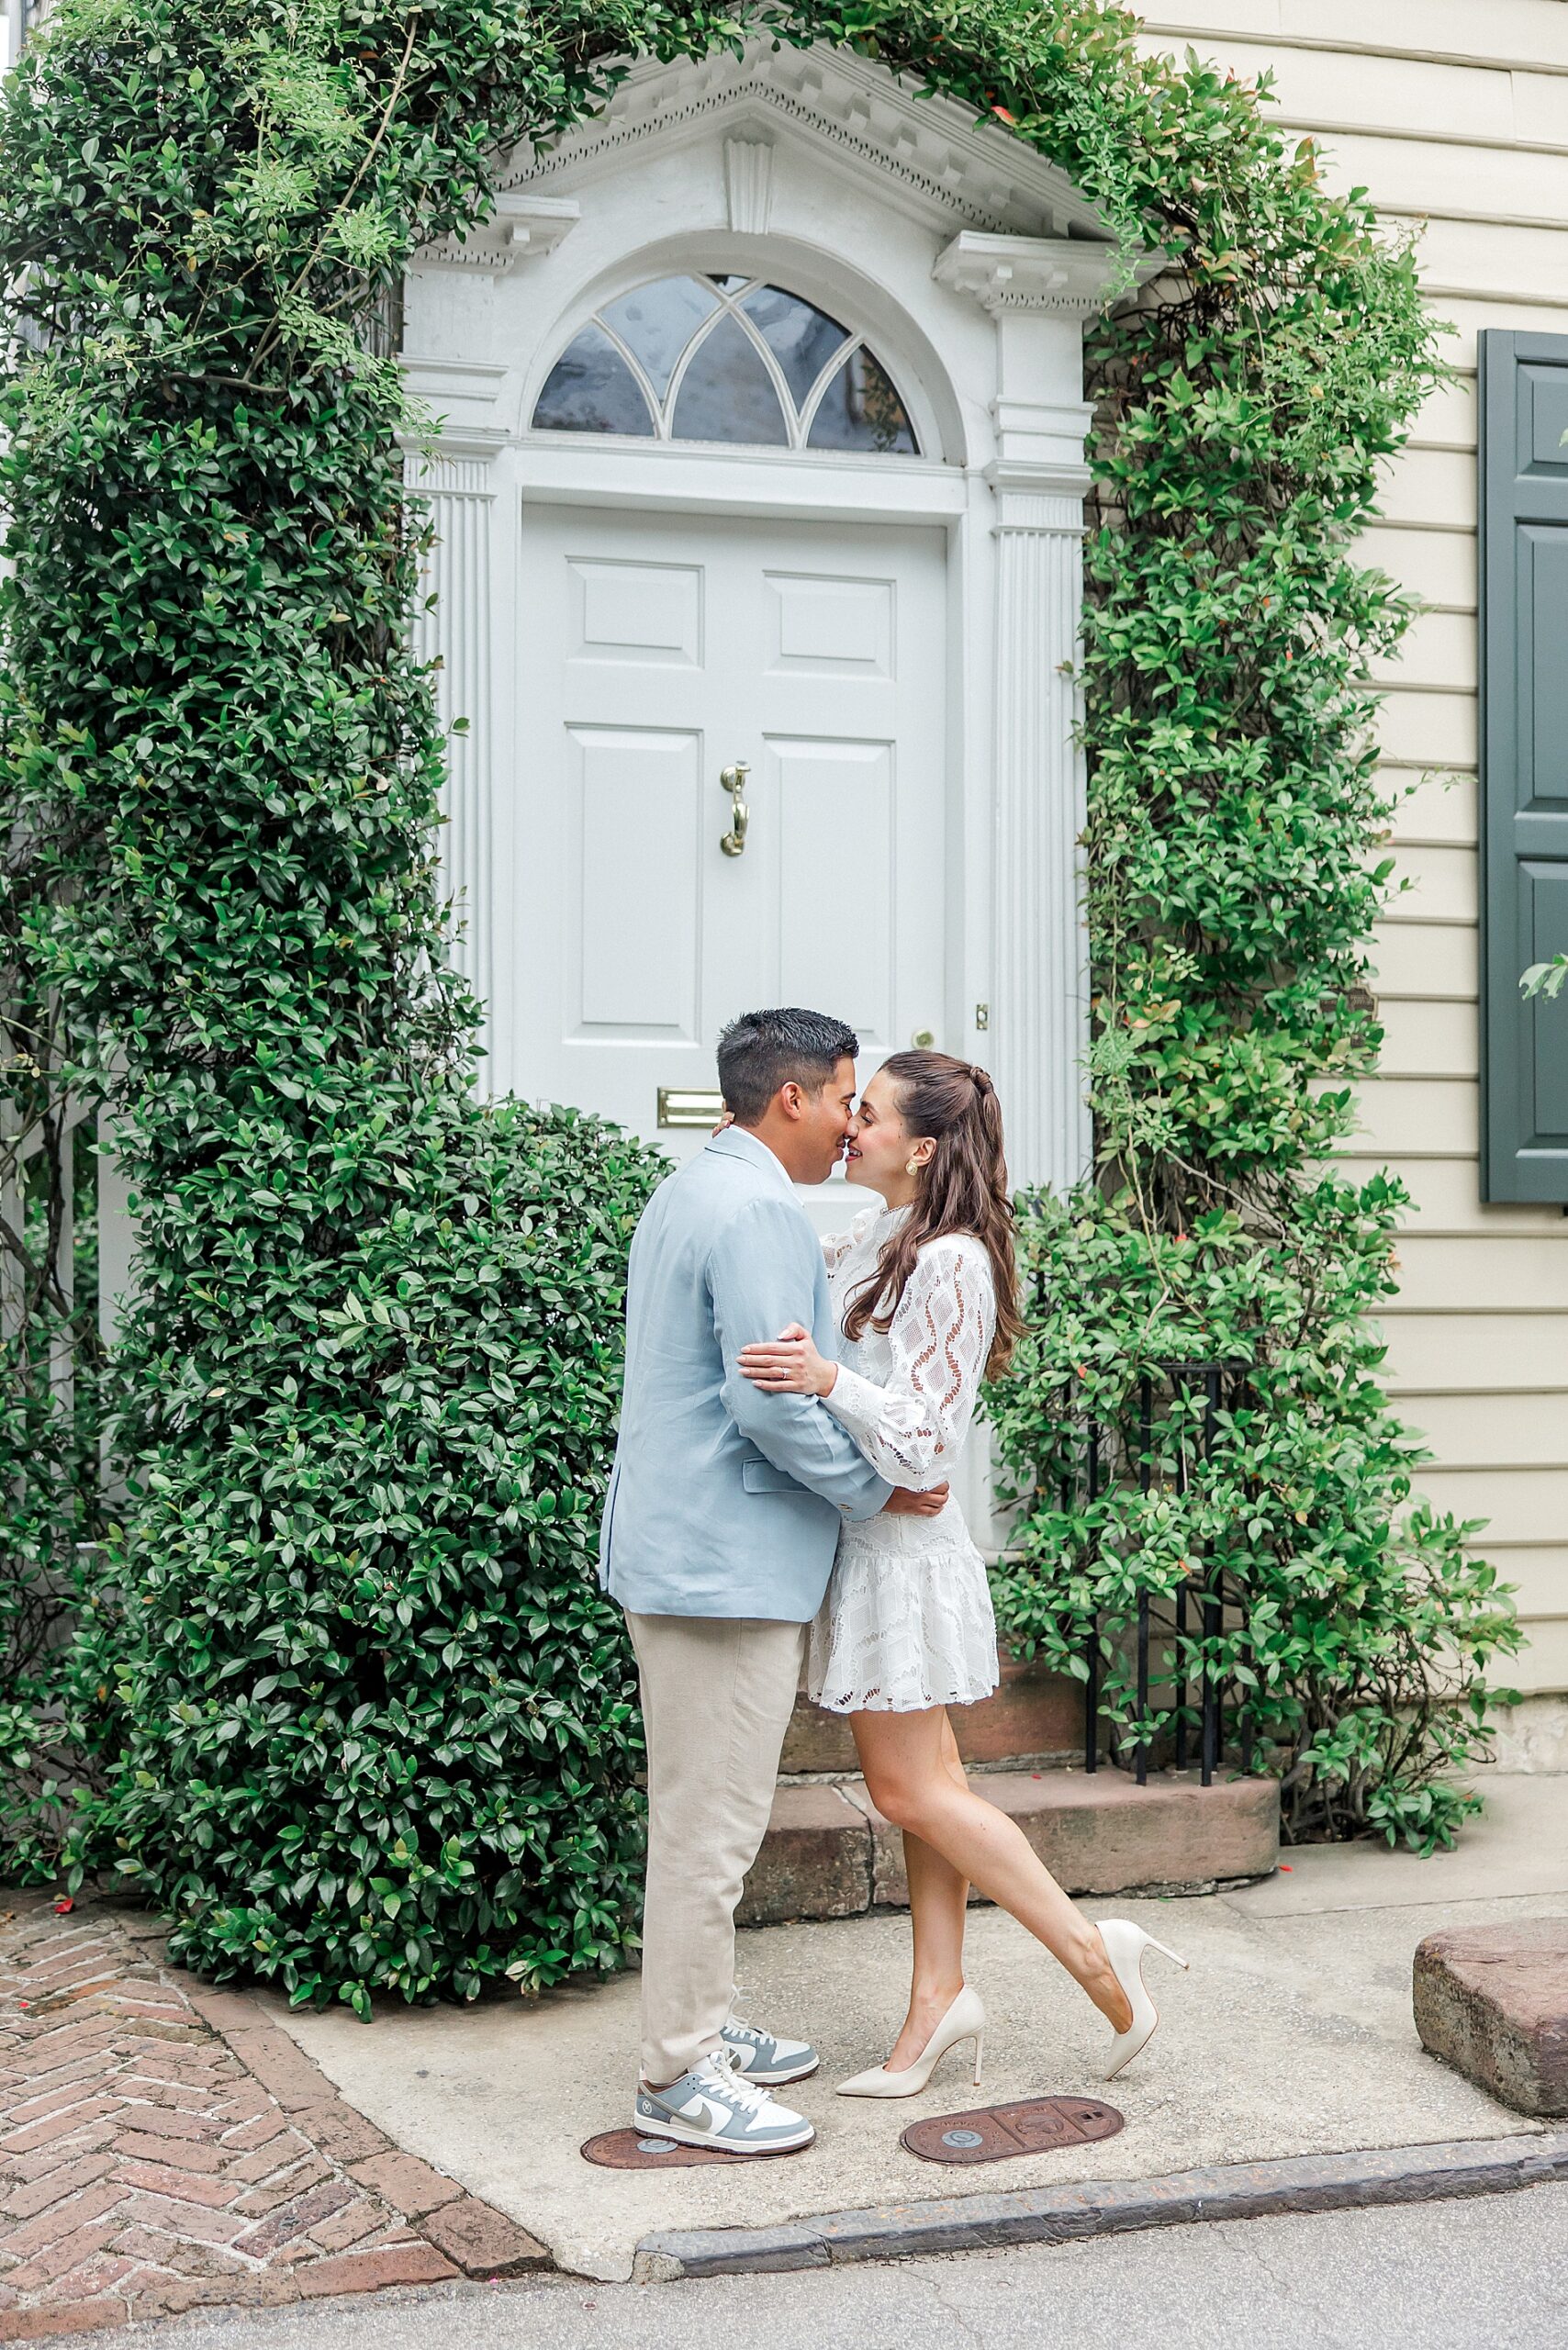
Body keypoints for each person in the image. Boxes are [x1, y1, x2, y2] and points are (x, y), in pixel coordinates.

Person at [736, 1050, 1189, 2096]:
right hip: (874, 1553)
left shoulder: (950, 1261)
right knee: (931, 1791)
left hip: (905, 1562)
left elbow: (924, 1446)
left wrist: (825, 1378)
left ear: (925, 1145)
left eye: (873, 1114)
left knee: (904, 1787)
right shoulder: (886, 1235)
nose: (851, 1125)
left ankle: (1093, 1952)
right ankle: (936, 2002)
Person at [599, 1009, 948, 2154]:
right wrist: (876, 1491)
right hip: (720, 1568)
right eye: (848, 1095)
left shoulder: (695, 1186)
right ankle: (678, 2073)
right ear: (791, 1098)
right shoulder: (755, 1209)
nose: (857, 1118)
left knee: (708, 1817)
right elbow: (764, 1399)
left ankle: (700, 2022)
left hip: (692, 1552)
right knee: (709, 1829)